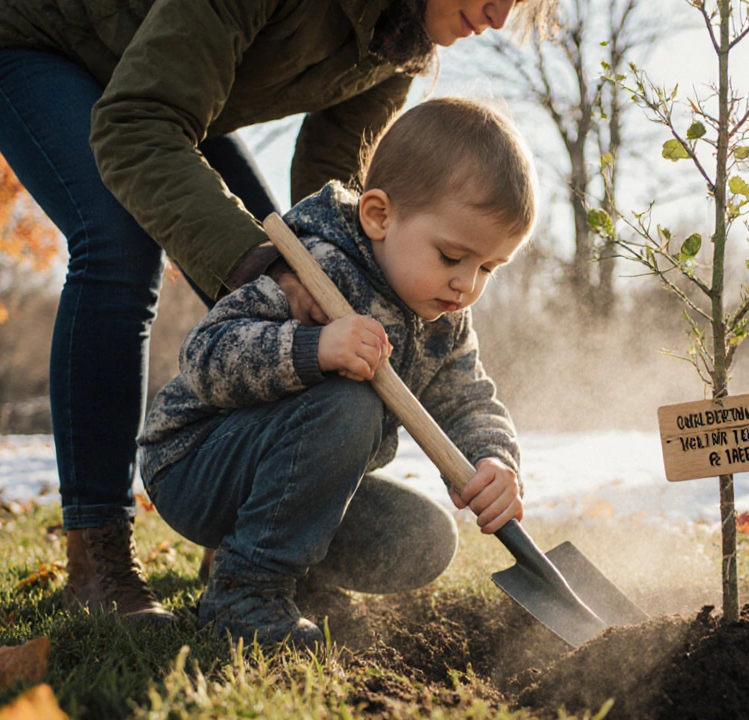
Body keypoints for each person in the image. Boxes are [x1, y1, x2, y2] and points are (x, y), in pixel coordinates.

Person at [0, 0, 554, 625]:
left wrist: (493, 456)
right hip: (53, 48)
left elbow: (339, 193)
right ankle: (100, 556)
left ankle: (257, 553)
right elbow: (137, 121)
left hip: (176, 90)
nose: (498, 13)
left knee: (305, 270)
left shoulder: (399, 36)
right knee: (120, 243)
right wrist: (274, 277)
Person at [137, 97, 533, 647]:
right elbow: (206, 356)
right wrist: (313, 348)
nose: (467, 284)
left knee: (424, 539)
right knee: (351, 403)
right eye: (451, 256)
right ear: (379, 215)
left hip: (285, 478)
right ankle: (245, 595)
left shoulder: (444, 322)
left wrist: (495, 458)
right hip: (195, 462)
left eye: (488, 267)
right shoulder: (316, 266)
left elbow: (470, 402)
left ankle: (299, 578)